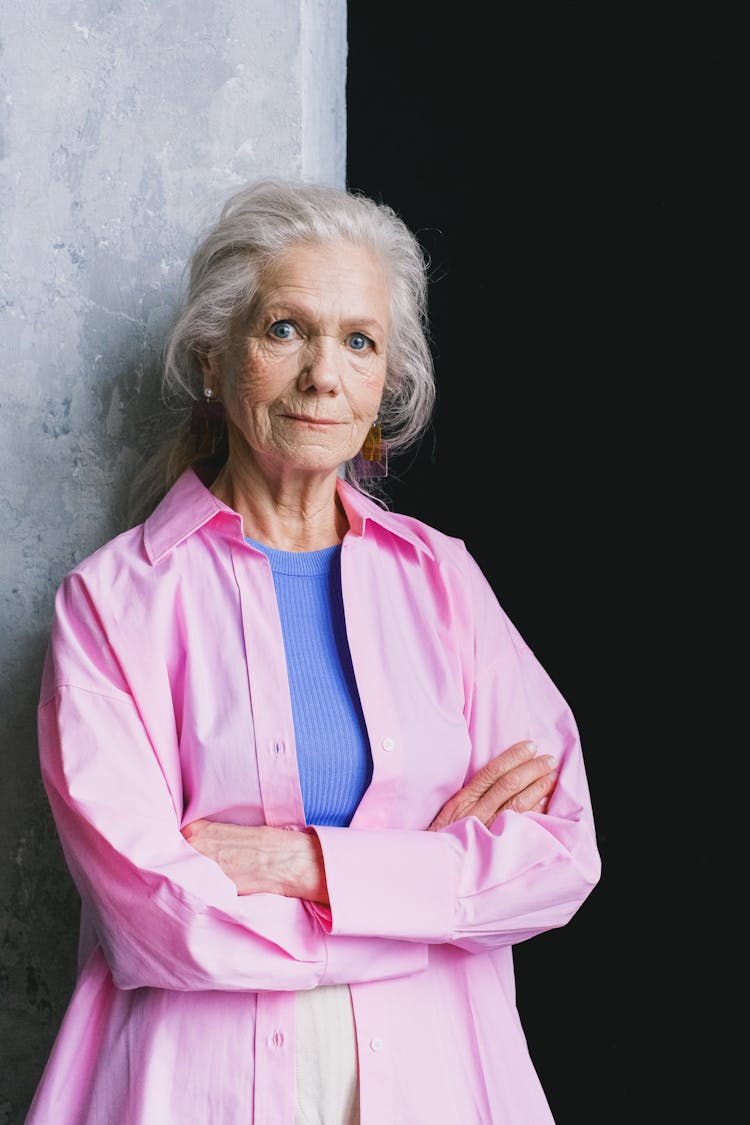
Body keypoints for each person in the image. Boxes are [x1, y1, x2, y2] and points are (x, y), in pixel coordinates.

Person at [25, 178, 601, 1125]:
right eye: (286, 328)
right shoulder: (112, 604)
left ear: (385, 381)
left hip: (444, 1086)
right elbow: (163, 921)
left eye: (359, 341)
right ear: (215, 358)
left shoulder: (445, 583)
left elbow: (559, 855)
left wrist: (303, 864)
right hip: (188, 1090)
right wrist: (430, 895)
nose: (324, 374)